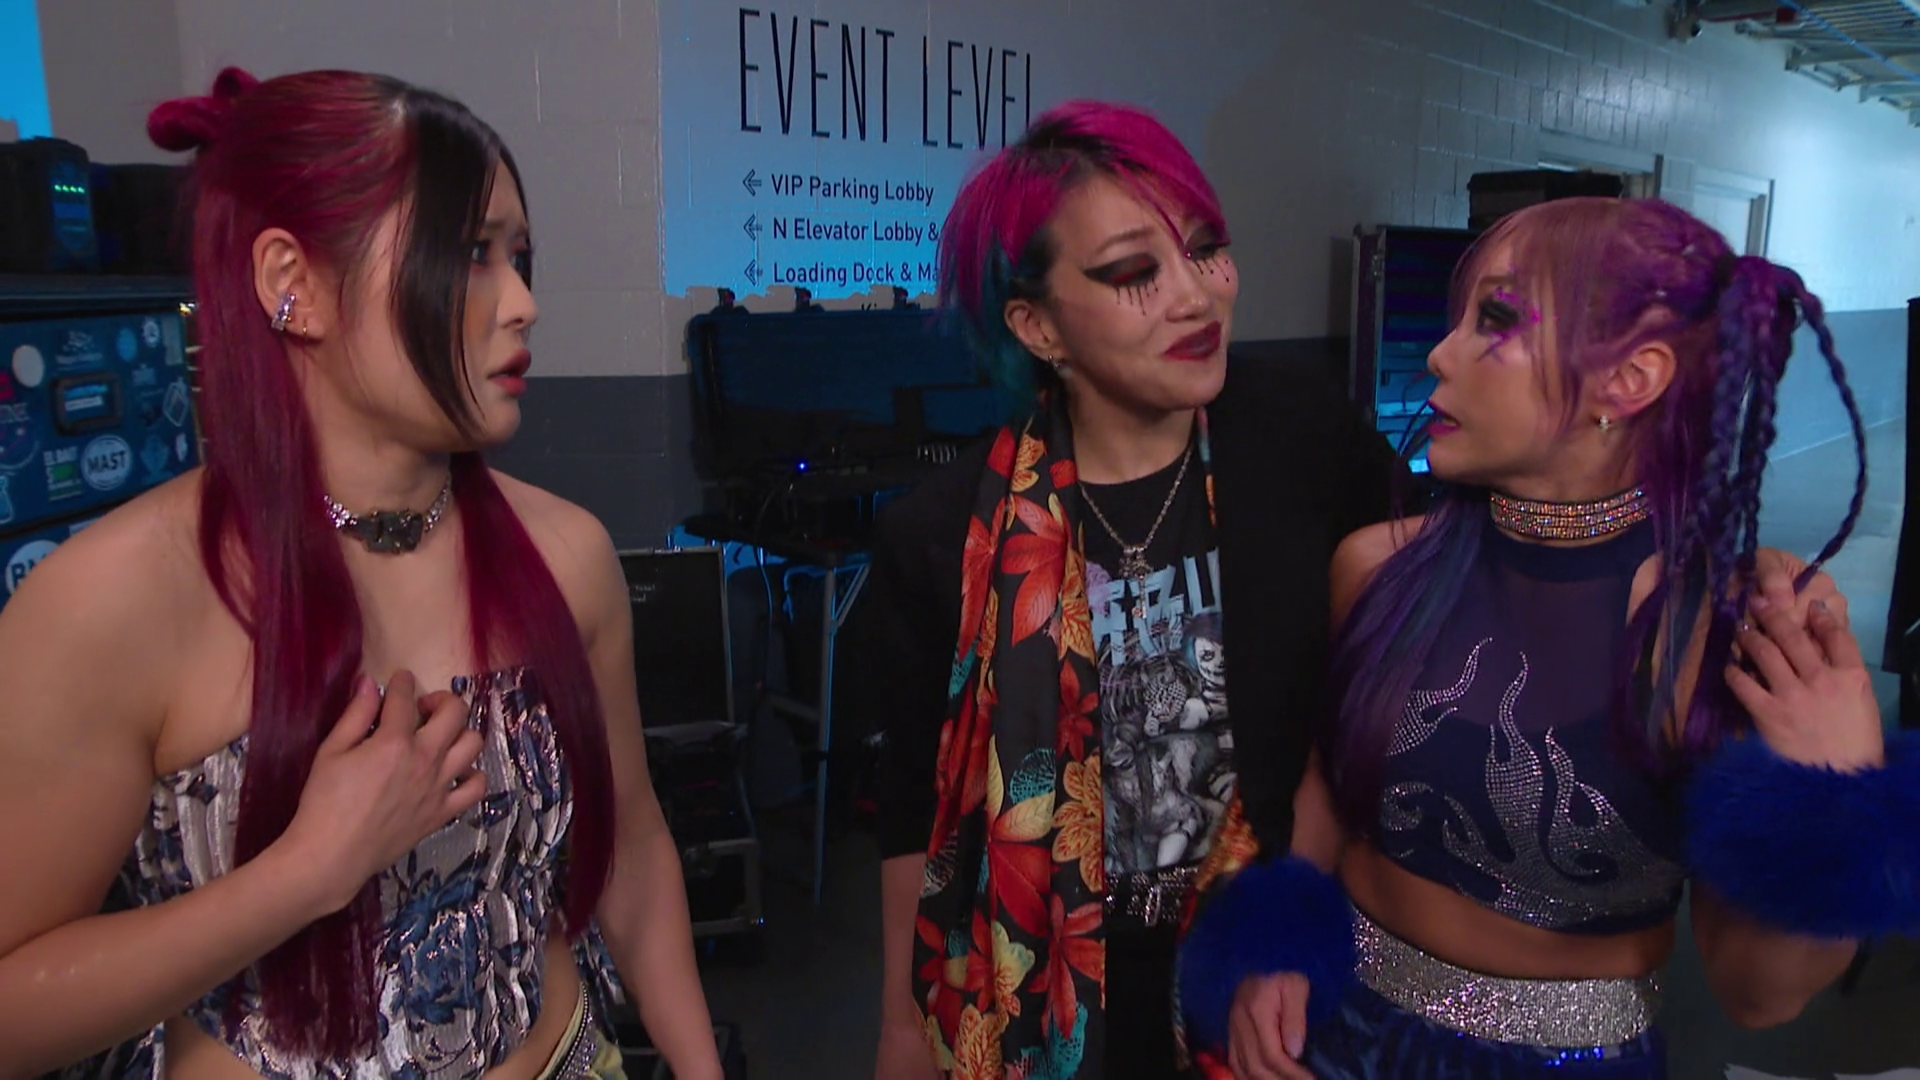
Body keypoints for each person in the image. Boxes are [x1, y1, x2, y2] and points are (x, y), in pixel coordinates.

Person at [0, 68, 724, 1080]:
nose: (523, 303)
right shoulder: (111, 601)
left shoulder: (566, 556)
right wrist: (305, 871)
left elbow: (633, 853)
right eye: (468, 254)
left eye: (519, 257)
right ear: (291, 283)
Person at [1177, 196, 1919, 1079]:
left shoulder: (1720, 631)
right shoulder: (1377, 566)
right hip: (1337, 1039)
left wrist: (1829, 796)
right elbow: (1328, 787)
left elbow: (1760, 997)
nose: (1441, 353)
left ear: (1628, 380)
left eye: (1494, 320)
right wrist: (1277, 947)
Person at [853, 101, 1407, 1080]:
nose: (1195, 297)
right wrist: (903, 1031)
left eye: (1207, 250)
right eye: (1132, 273)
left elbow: (1407, 632)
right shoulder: (942, 537)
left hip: (1264, 969)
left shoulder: (1298, 435)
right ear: (1038, 326)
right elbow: (914, 813)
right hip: (1047, 983)